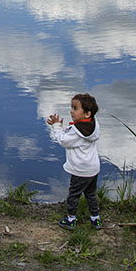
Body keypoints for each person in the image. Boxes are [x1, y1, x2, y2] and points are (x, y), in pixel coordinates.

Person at [46, 93, 102, 230]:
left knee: (74, 195)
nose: (71, 111)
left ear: (87, 114)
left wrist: (56, 127)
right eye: (71, 108)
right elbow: (73, 131)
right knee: (91, 194)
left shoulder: (77, 132)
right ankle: (96, 218)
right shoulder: (93, 125)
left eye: (75, 108)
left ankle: (71, 219)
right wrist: (62, 126)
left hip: (80, 171)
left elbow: (64, 140)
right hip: (93, 169)